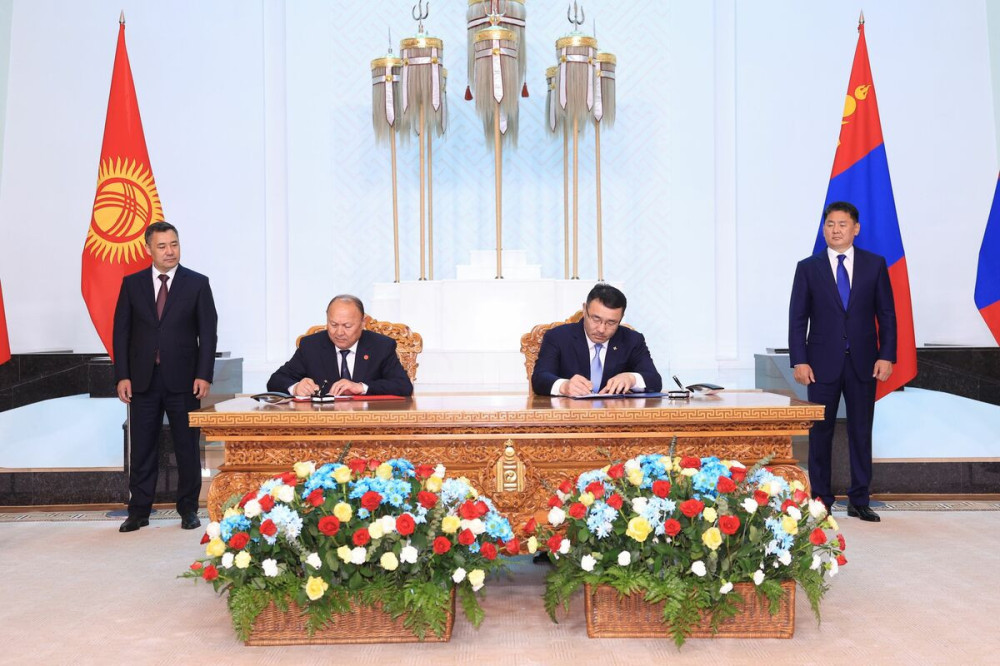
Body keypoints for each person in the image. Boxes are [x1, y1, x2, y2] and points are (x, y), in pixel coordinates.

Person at [788, 201, 896, 522]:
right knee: (820, 432)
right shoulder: (808, 267)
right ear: (824, 229)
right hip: (821, 364)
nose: (836, 230)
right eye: (830, 224)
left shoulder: (875, 265)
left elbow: (887, 315)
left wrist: (887, 355)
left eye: (842, 224)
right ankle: (821, 498)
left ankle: (859, 499)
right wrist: (800, 360)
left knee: (861, 431)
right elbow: (798, 319)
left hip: (864, 362)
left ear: (855, 228)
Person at [113, 221, 218, 533]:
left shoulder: (197, 283)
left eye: (174, 244)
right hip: (142, 380)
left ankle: (188, 509)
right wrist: (122, 376)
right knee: (143, 447)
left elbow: (208, 334)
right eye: (162, 246)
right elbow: (121, 333)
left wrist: (204, 374)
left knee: (187, 447)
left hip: (184, 380)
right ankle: (139, 511)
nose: (170, 251)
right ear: (148, 249)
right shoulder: (132, 284)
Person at [267, 295, 413, 397]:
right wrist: (296, 388)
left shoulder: (381, 346)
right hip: (323, 423)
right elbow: (275, 381)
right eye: (333, 324)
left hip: (367, 421)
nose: (339, 332)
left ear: (363, 323)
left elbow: (403, 386)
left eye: (347, 326)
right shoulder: (311, 346)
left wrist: (360, 387)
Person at [531, 283, 662, 397]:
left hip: (614, 414)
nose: (601, 329)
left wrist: (632, 378)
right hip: (569, 413)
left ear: (621, 319)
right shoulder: (558, 337)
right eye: (596, 319)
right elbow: (540, 378)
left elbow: (655, 380)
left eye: (611, 323)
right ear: (584, 310)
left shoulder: (632, 340)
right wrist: (564, 386)